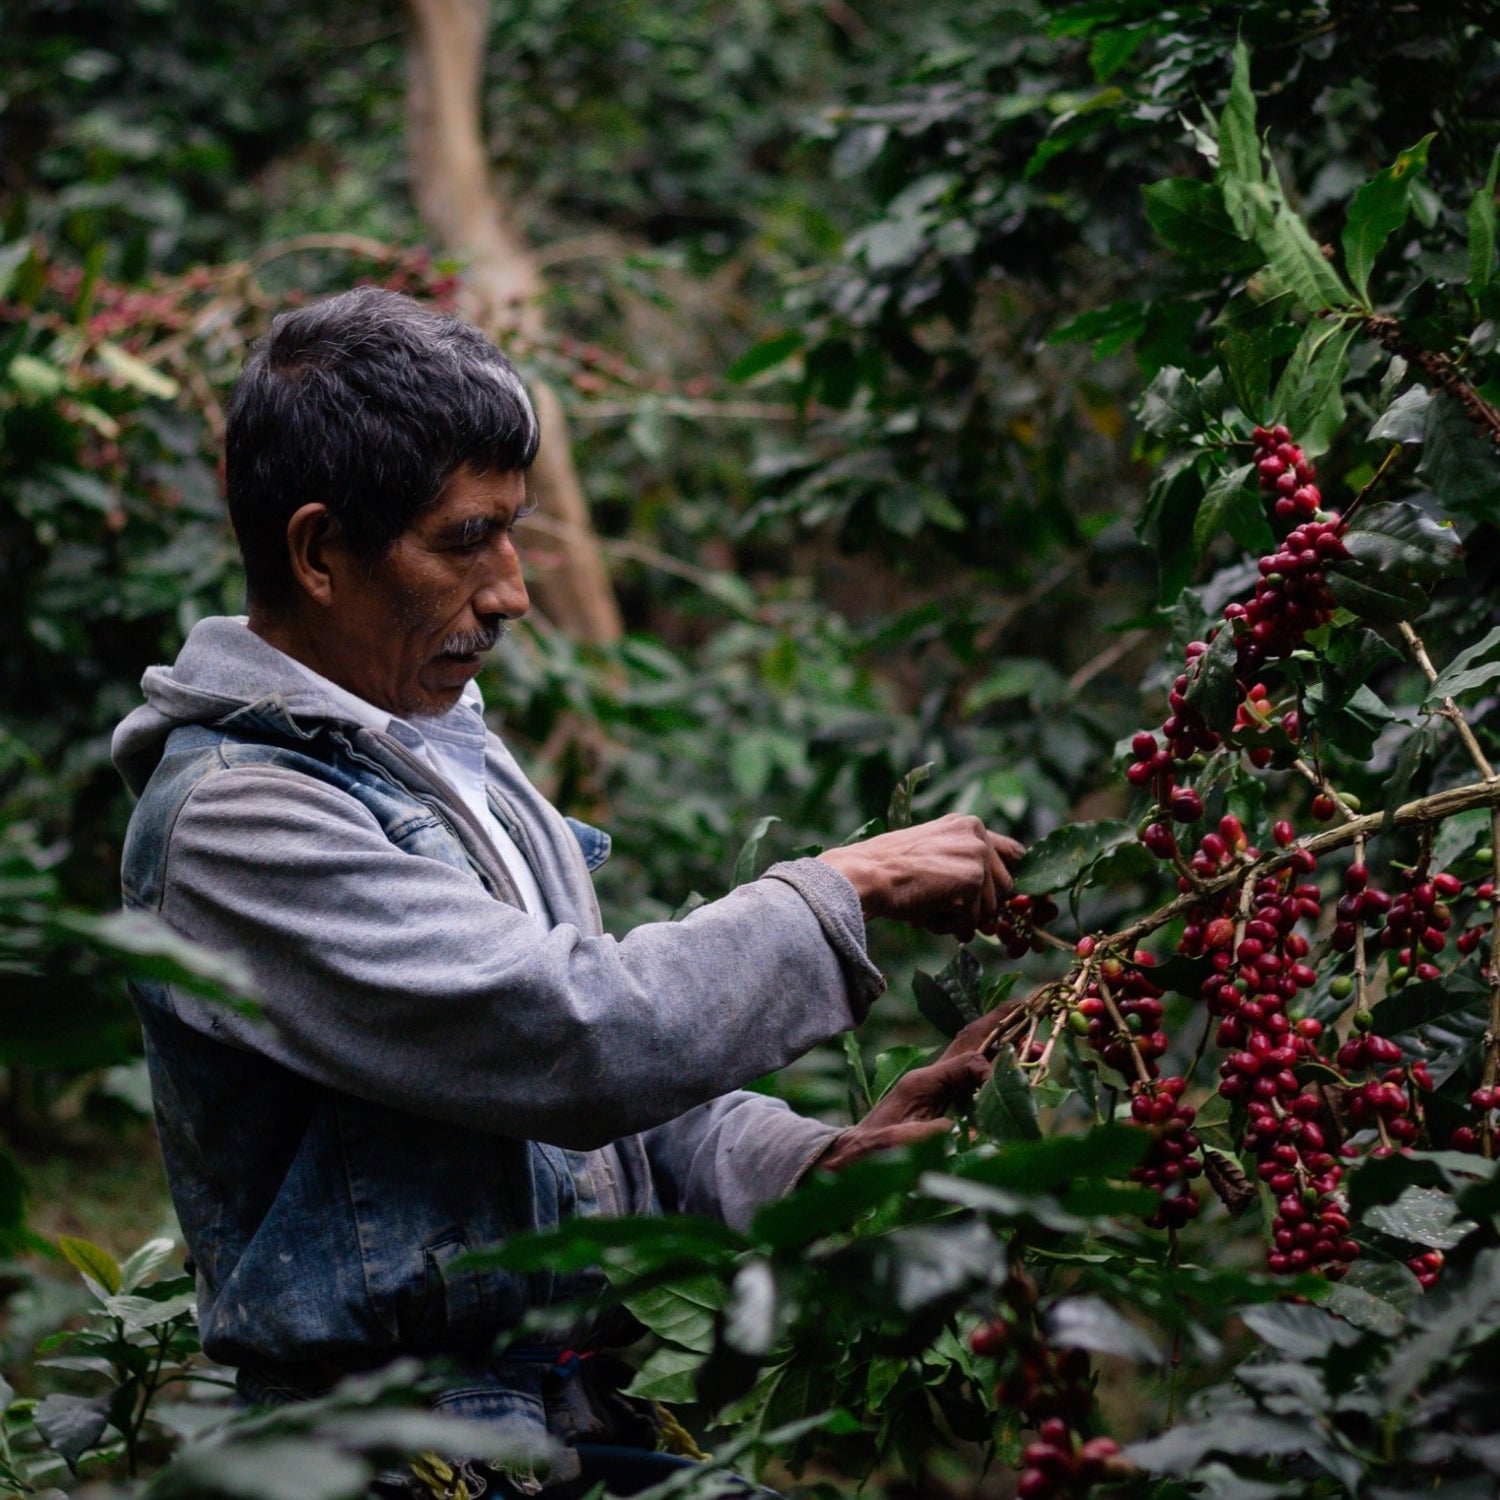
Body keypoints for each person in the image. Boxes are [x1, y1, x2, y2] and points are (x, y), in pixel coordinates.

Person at [111, 287, 1024, 1495]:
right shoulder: (235, 819)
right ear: (320, 552)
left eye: (514, 532)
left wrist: (813, 1166)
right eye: (464, 539)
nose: (511, 591)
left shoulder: (446, 753)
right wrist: (843, 885)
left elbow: (594, 1121)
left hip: (561, 1419)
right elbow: (578, 1034)